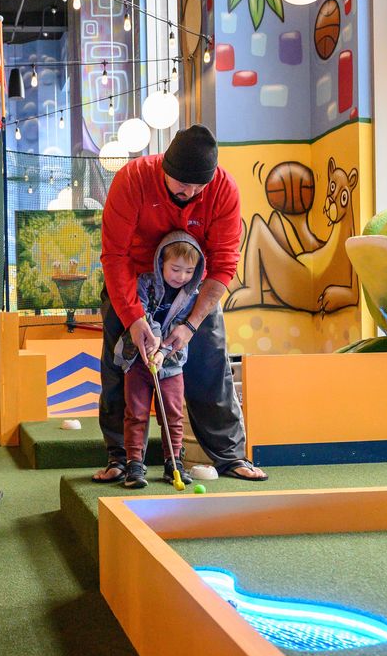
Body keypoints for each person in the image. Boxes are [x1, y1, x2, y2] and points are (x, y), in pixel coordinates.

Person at [92, 124, 268, 483]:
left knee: (211, 363)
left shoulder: (224, 190)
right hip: (135, 283)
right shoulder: (132, 180)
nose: (189, 193)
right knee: (120, 364)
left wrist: (189, 325)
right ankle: (121, 459)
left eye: (196, 188)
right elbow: (115, 255)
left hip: (192, 288)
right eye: (181, 186)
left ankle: (230, 456)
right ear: (164, 169)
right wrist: (134, 320)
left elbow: (223, 265)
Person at [112, 233, 204, 488]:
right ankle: (134, 465)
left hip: (171, 363)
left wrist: (163, 352)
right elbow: (141, 313)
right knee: (136, 413)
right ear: (161, 262)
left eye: (188, 271)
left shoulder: (191, 294)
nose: (181, 276)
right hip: (138, 359)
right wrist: (152, 344)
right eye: (175, 269)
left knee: (173, 415)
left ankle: (173, 463)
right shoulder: (144, 283)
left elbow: (181, 326)